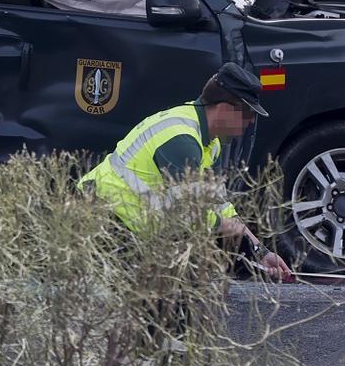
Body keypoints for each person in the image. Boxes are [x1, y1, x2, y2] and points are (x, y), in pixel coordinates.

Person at [80, 62, 293, 281]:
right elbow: (186, 216)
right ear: (225, 108)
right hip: (99, 221)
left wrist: (260, 251)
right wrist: (225, 227)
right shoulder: (181, 139)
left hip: (126, 229)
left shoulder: (211, 143)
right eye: (247, 113)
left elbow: (218, 205)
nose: (250, 122)